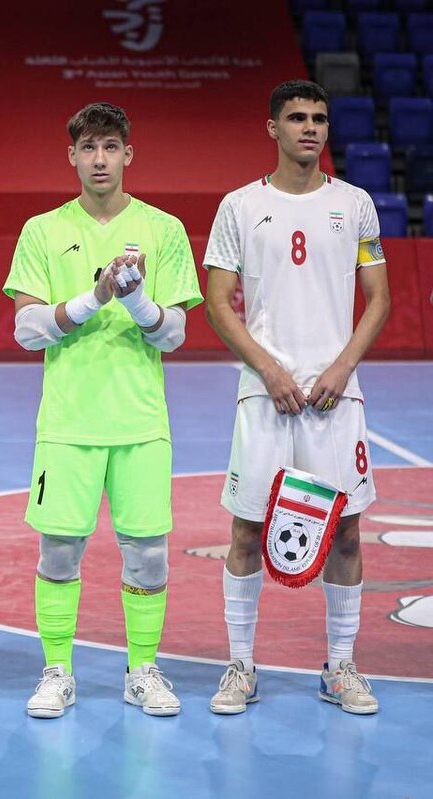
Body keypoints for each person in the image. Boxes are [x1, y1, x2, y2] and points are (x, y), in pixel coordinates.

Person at [3, 102, 202, 719]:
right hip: (68, 424)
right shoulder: (41, 230)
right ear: (72, 156)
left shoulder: (165, 229)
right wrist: (97, 296)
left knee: (148, 555)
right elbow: (27, 329)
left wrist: (138, 300)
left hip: (140, 422)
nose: (99, 159)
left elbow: (175, 334)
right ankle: (57, 671)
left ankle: (142, 669)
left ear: (127, 155)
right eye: (88, 148)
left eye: (110, 147)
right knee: (59, 553)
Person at [204, 80, 390, 716]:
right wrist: (269, 369)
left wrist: (341, 367)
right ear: (273, 128)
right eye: (297, 118)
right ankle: (240, 665)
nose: (310, 128)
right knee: (247, 528)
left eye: (319, 118)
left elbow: (379, 298)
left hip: (337, 397)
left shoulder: (356, 204)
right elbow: (218, 302)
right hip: (265, 395)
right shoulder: (239, 206)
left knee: (347, 532)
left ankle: (341, 666)